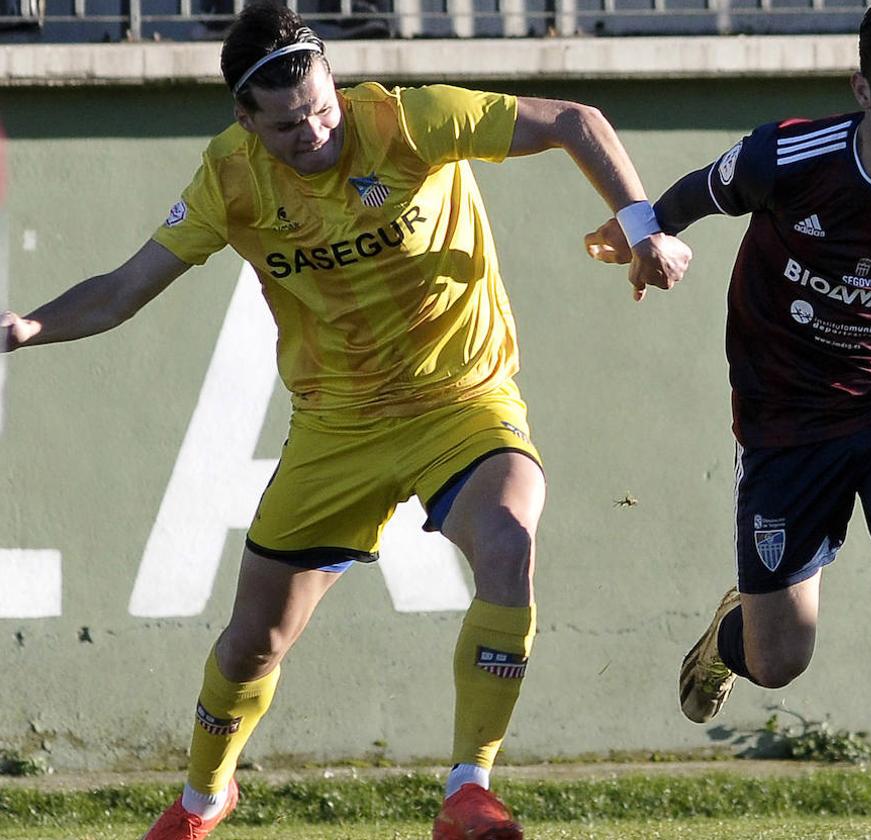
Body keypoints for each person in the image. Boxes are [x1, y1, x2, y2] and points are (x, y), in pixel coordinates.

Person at [0, 4, 691, 839]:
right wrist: (27, 328)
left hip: (461, 403)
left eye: (324, 108)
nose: (317, 133)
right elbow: (119, 291)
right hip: (337, 429)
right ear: (245, 120)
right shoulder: (230, 179)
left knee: (509, 540)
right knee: (253, 644)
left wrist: (644, 224)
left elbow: (575, 122)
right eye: (289, 125)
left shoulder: (409, 119)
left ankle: (469, 790)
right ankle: (201, 799)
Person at [585, 1, 871, 837]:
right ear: (863, 90)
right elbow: (696, 194)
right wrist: (647, 240)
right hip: (784, 424)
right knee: (780, 661)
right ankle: (726, 637)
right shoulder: (788, 155)